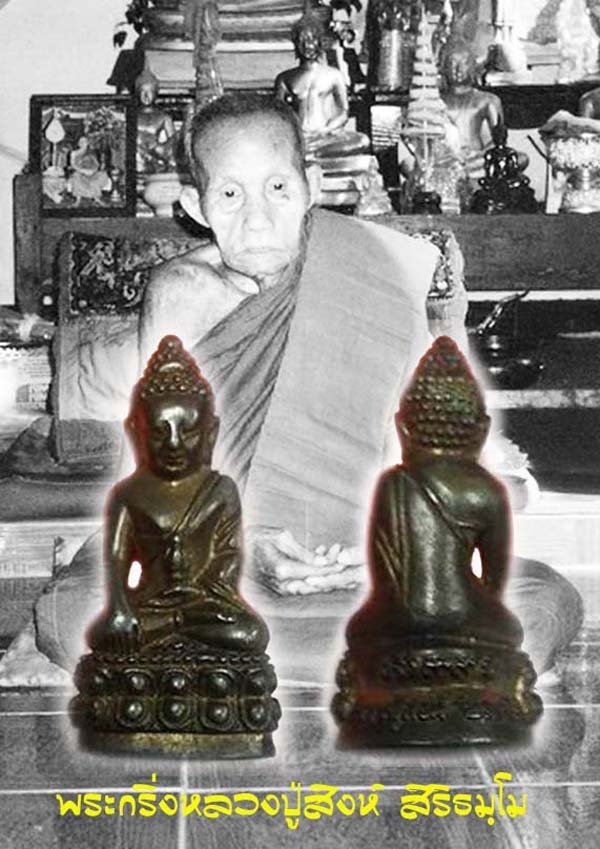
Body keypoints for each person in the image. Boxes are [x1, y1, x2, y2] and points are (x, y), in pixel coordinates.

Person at [29, 92, 582, 680]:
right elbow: (147, 470)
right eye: (230, 195)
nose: (257, 219)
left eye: (277, 188)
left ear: (311, 186)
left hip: (368, 568)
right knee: (74, 612)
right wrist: (240, 547)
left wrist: (383, 546)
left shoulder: (373, 267)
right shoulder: (180, 293)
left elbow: (426, 454)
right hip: (212, 571)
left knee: (542, 599)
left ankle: (225, 672)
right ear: (195, 206)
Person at [89, 335, 268, 656]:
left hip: (204, 605)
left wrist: (201, 596)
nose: (174, 444)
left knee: (250, 633)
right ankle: (173, 624)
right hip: (151, 604)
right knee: (104, 636)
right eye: (159, 432)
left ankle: (176, 624)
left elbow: (228, 557)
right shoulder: (127, 495)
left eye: (188, 431)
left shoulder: (221, 490)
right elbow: (115, 563)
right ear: (136, 431)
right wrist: (119, 608)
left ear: (211, 433)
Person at [274, 11, 369, 158]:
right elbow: (278, 115)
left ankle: (309, 154)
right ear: (295, 44)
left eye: (312, 40)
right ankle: (307, 153)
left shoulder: (334, 75)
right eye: (302, 41)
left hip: (325, 137)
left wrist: (326, 130)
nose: (308, 46)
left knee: (362, 140)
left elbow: (344, 111)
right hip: (299, 136)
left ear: (320, 42)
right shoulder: (285, 78)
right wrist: (295, 132)